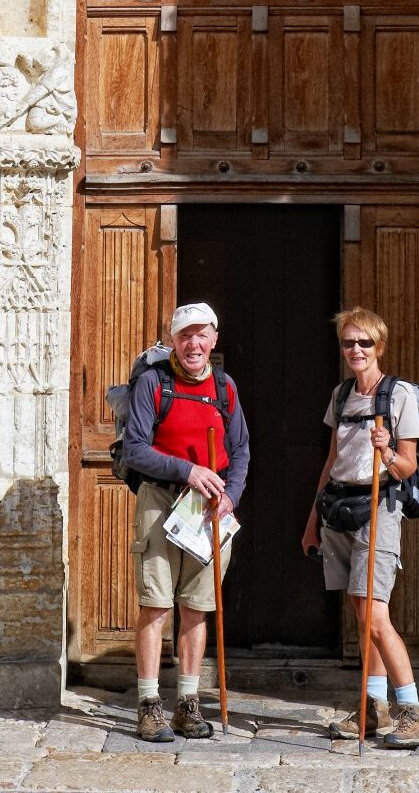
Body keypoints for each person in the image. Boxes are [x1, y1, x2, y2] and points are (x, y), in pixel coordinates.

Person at [301, 306, 419, 748]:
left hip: (379, 507)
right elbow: (331, 463)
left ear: (379, 346)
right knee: (362, 616)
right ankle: (373, 708)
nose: (355, 350)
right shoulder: (341, 396)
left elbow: (408, 466)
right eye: (348, 342)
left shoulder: (398, 396)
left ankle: (414, 711)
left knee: (376, 617)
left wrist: (387, 452)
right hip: (340, 509)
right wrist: (311, 522)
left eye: (364, 343)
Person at [123, 302, 250, 742]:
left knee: (197, 607)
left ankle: (188, 705)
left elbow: (241, 452)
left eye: (202, 335)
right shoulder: (153, 384)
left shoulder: (225, 388)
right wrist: (187, 471)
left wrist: (230, 496)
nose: (193, 344)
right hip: (161, 502)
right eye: (185, 335)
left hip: (208, 512)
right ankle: (149, 704)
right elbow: (135, 449)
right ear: (173, 340)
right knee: (156, 603)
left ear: (214, 339)